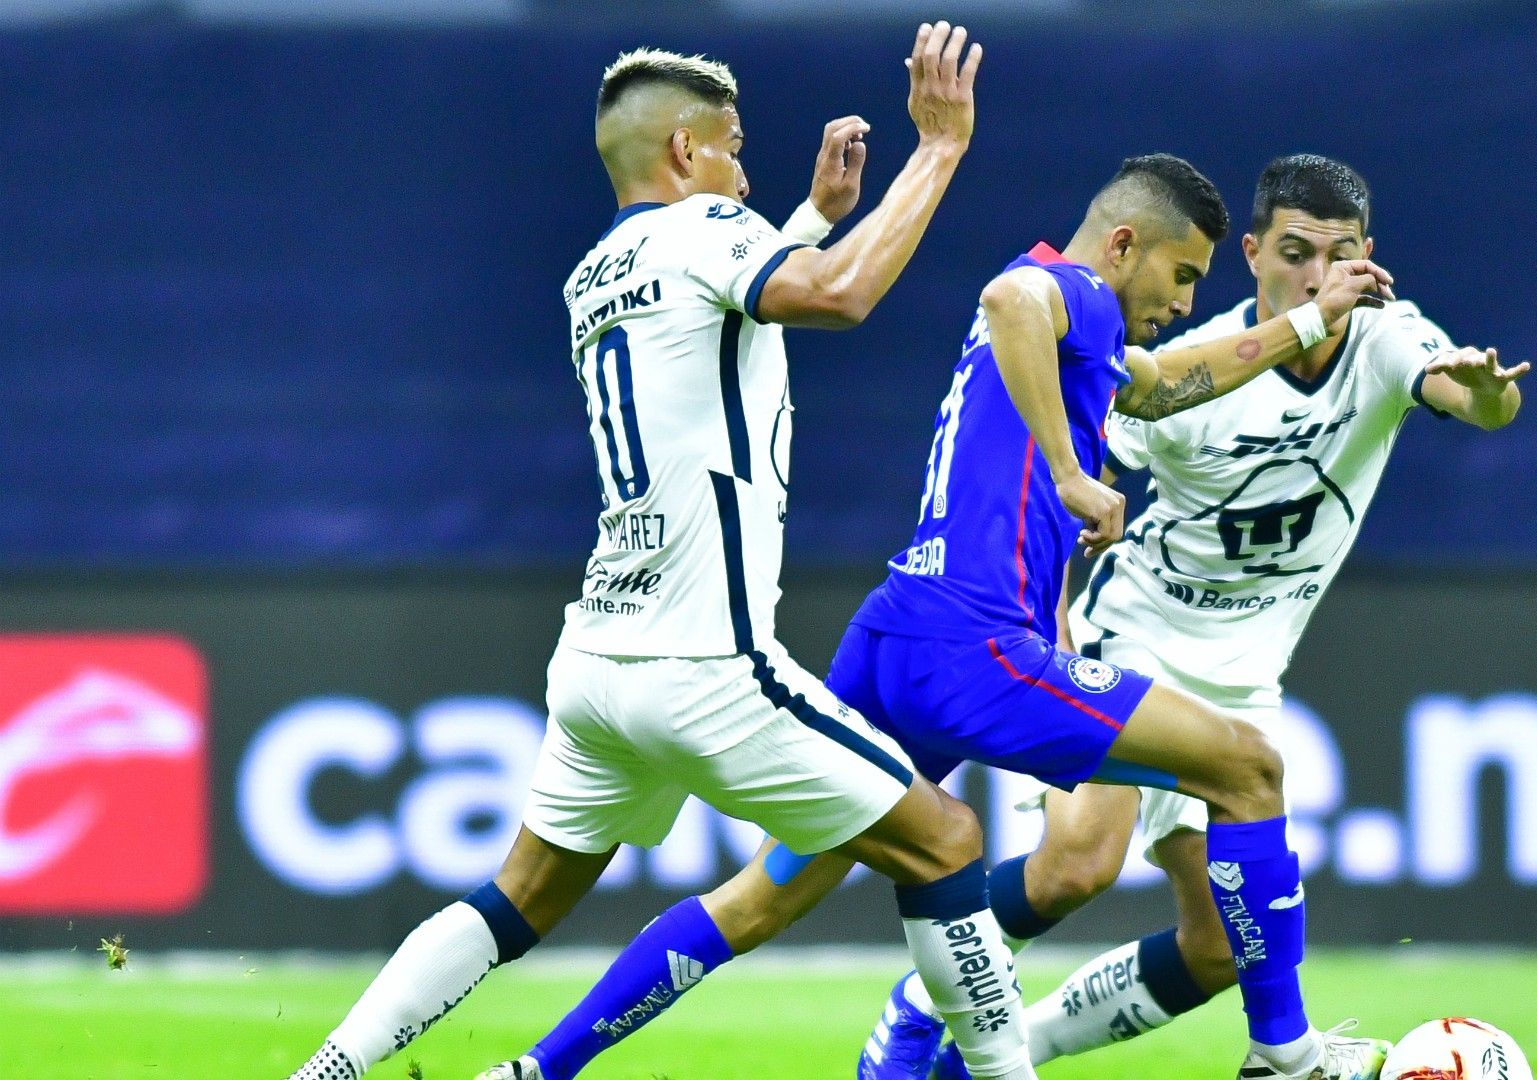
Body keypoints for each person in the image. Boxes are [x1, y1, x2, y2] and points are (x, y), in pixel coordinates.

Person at [491, 153, 1400, 1080]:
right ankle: (1284, 1055)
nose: (1184, 300)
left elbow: (1167, 381)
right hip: (977, 651)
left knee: (761, 897)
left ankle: (537, 1069)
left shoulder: (1080, 334)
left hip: (893, 637)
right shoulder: (1076, 292)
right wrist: (1070, 471)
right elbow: (1012, 299)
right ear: (1124, 245)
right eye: (1181, 275)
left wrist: (1310, 320)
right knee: (1248, 769)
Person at [283, 23, 1039, 1080]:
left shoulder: (595, 275)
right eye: (732, 149)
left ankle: (329, 1069)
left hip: (599, 661)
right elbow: (837, 294)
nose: (743, 176)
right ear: (686, 152)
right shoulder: (707, 228)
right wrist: (940, 149)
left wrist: (814, 218)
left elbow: (715, 321)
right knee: (946, 839)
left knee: (516, 898)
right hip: (706, 663)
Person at [884, 154, 1532, 1080]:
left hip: (1247, 670)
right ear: (1256, 255)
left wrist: (1489, 392)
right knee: (1078, 863)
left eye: (1340, 256)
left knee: (1220, 947)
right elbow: (1063, 490)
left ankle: (994, 1056)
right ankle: (919, 1005)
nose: (1318, 276)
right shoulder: (1202, 370)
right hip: (1138, 630)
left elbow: (1473, 401)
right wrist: (1053, 620)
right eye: (1296, 254)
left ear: (1368, 257)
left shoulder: (1388, 340)